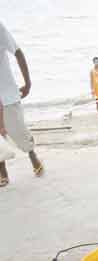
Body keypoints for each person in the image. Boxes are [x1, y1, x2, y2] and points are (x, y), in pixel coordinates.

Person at [0, 22, 44, 188]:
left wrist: (28, 83)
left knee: (19, 130)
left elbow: (18, 53)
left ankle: (32, 154)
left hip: (7, 93)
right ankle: (2, 171)